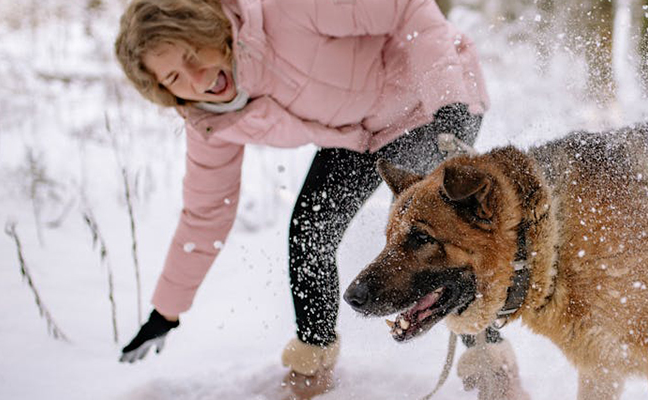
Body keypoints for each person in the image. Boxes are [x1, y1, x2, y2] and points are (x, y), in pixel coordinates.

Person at [112, 0, 488, 397]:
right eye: (174, 75)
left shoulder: (288, 11)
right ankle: (314, 364)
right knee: (311, 230)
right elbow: (205, 214)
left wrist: (448, 104)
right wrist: (165, 311)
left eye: (192, 52)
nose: (197, 77)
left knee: (445, 234)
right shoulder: (211, 121)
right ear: (163, 89)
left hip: (431, 103)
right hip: (360, 131)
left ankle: (489, 364)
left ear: (208, 24)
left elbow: (409, 9)